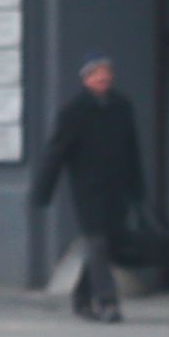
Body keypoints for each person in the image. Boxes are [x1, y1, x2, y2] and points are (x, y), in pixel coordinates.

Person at [31, 51, 146, 323]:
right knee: (97, 244)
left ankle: (81, 298)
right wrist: (43, 190)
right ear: (86, 79)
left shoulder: (121, 107)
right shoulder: (74, 112)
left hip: (117, 191)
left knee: (109, 246)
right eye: (97, 76)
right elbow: (56, 152)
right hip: (88, 191)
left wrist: (138, 190)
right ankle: (107, 303)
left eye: (107, 75)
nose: (103, 80)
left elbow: (133, 151)